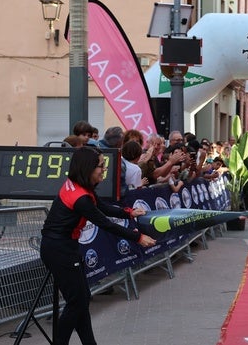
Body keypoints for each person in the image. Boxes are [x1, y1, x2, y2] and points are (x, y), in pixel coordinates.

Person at [40, 146, 155, 345]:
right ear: (87, 168)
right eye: (101, 166)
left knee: (81, 301)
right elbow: (105, 224)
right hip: (59, 250)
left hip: (64, 247)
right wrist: (137, 238)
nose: (104, 170)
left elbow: (102, 207)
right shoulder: (81, 198)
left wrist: (129, 212)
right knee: (77, 302)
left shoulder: (82, 187)